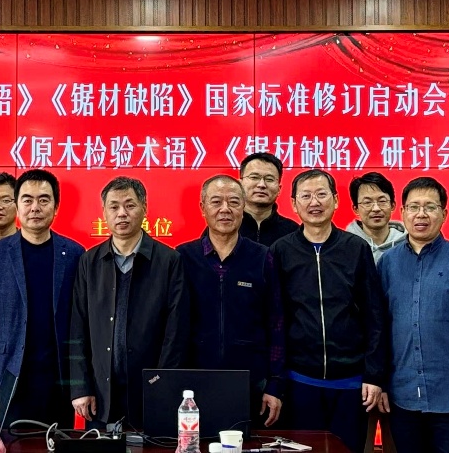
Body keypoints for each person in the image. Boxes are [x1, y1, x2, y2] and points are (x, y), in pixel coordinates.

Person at [269, 169, 387, 452]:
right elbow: (275, 319)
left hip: (351, 382)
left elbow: (374, 316)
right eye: (306, 196)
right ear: (294, 203)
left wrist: (374, 376)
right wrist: (276, 381)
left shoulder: (355, 248)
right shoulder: (281, 251)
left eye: (322, 194)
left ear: (335, 200)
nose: (314, 202)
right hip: (300, 381)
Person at [378, 177, 449, 453]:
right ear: (402, 212)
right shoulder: (387, 263)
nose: (421, 214)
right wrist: (380, 382)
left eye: (430, 207)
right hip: (402, 396)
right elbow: (379, 329)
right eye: (413, 207)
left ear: (444, 214)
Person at [69, 176, 188, 430]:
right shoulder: (89, 261)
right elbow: (78, 328)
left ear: (144, 208)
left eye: (130, 205)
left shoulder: (169, 260)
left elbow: (176, 331)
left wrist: (162, 383)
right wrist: (81, 387)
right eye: (114, 206)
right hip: (100, 393)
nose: (122, 213)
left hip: (150, 390)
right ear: (104, 212)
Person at [0, 169, 84, 430]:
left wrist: (81, 384)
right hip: (11, 374)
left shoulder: (75, 253)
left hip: (59, 378)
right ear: (17, 205)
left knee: (58, 443)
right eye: (27, 200)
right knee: (11, 443)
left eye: (44, 200)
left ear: (56, 207)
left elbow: (83, 322)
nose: (35, 207)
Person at [176, 175, 285, 429]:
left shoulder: (262, 257)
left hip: (251, 384)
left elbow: (277, 323)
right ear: (202, 207)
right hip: (193, 383)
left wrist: (275, 383)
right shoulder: (182, 257)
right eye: (216, 202)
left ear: (243, 207)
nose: (225, 209)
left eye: (234, 202)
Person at [346, 171, 405, 453]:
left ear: (393, 205)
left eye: (382, 201)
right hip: (360, 362)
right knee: (361, 442)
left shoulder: (412, 245)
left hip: (402, 359)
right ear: (355, 209)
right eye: (367, 202)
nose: (376, 208)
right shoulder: (343, 246)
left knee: (400, 441)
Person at [236, 153, 300, 246]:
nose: (261, 185)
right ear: (240, 184)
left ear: (279, 189)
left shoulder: (293, 232)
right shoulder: (225, 226)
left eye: (269, 179)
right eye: (254, 177)